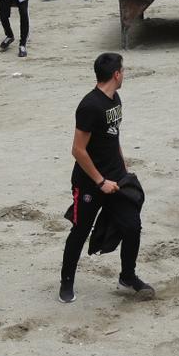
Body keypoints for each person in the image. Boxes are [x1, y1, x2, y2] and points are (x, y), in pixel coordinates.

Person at [59, 52, 153, 303]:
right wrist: (101, 181)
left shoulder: (115, 99)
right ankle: (66, 283)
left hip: (116, 178)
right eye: (123, 70)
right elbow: (77, 150)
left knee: (132, 226)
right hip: (90, 182)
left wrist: (122, 169)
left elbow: (114, 136)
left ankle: (128, 275)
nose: (124, 74)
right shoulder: (90, 106)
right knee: (80, 231)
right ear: (116, 74)